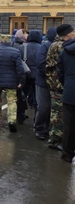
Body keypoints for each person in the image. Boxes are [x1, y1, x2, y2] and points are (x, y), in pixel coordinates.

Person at [0, 34, 25, 133]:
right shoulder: (16, 52)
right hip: (12, 81)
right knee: (12, 101)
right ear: (10, 41)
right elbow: (19, 69)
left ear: (0, 41)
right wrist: (21, 81)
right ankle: (11, 120)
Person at [47, 24, 75, 150]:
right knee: (60, 116)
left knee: (57, 114)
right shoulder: (62, 46)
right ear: (67, 34)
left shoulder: (54, 44)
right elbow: (60, 68)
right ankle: (55, 141)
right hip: (60, 85)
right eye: (73, 31)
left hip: (56, 83)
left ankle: (56, 139)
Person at [56, 24, 75, 163]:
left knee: (69, 125)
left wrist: (67, 84)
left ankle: (67, 153)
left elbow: (60, 73)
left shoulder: (64, 52)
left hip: (70, 91)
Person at [35, 27, 57, 140]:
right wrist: (51, 75)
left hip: (55, 83)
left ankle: (47, 129)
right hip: (43, 82)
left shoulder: (59, 46)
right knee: (44, 107)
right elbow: (40, 63)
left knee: (51, 108)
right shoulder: (45, 46)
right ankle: (39, 128)